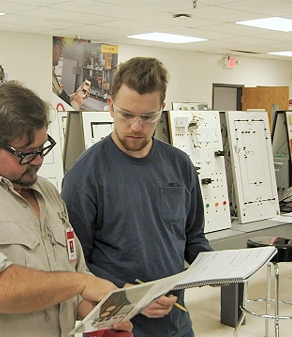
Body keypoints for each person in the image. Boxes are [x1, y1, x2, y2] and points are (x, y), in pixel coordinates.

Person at [0, 82, 132, 337]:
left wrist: (99, 317)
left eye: (41, 148)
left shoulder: (47, 193)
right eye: (26, 153)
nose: (38, 160)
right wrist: (81, 284)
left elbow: (69, 282)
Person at [61, 57, 213, 337]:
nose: (135, 127)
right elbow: (73, 261)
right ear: (109, 106)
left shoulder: (179, 165)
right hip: (118, 325)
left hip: (176, 325)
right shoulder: (85, 175)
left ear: (162, 110)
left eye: (147, 117)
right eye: (126, 114)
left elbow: (193, 237)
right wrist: (126, 292)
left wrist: (216, 267)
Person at [53, 36, 88, 110]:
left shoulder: (51, 74)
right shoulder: (47, 78)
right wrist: (76, 103)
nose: (61, 52)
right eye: (60, 48)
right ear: (52, 48)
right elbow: (60, 110)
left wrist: (76, 95)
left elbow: (61, 100)